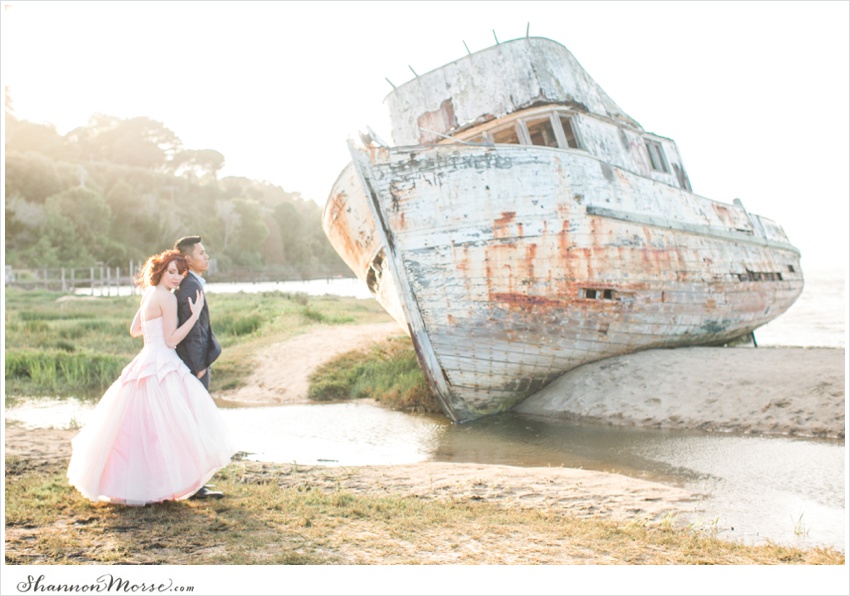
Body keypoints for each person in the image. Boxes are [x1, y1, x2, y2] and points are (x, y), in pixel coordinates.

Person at [67, 250, 235, 506]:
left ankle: (144, 485)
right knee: (172, 426)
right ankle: (166, 484)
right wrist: (194, 314)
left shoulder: (148, 294)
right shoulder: (166, 299)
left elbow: (135, 330)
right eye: (171, 272)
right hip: (163, 363)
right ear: (160, 271)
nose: (177, 278)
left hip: (145, 360)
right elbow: (170, 340)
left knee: (144, 429)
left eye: (180, 273)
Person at [173, 236, 221, 391]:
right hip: (194, 365)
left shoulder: (191, 284)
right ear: (189, 260)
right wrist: (199, 365)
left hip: (195, 363)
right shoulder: (190, 287)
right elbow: (193, 330)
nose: (206, 257)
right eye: (201, 253)